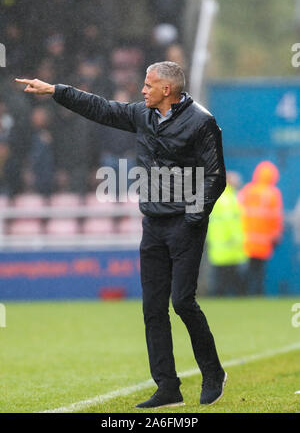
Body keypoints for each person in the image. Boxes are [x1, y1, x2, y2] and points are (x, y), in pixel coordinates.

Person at [15, 61, 227, 408]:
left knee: (182, 302)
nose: (142, 90)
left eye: (148, 85)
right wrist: (56, 91)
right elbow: (101, 108)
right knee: (152, 309)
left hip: (185, 225)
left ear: (166, 90)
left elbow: (216, 176)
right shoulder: (142, 115)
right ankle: (168, 387)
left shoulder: (202, 122)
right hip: (153, 224)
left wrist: (193, 215)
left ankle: (213, 373)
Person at [238, 161, 283, 295]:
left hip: (245, 239)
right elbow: (275, 217)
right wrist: (276, 234)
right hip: (264, 240)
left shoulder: (247, 190)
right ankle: (258, 293)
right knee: (259, 271)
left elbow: (238, 211)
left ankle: (243, 294)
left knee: (247, 270)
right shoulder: (273, 194)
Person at [206, 171, 248, 296]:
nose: (238, 182)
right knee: (227, 280)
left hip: (221, 246)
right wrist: (237, 239)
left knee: (223, 279)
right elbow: (230, 221)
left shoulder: (226, 196)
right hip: (228, 246)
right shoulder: (226, 198)